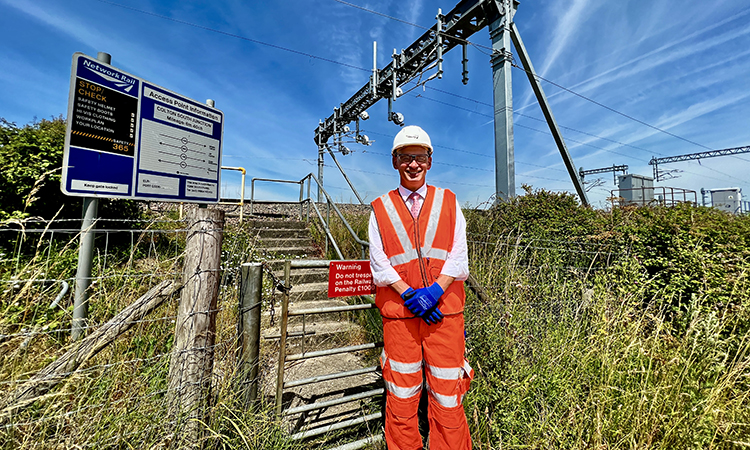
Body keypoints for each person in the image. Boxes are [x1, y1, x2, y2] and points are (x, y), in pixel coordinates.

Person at [368, 125, 473, 450]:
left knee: (448, 397)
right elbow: (379, 262)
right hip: (401, 318)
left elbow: (458, 257)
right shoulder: (380, 209)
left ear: (429, 161)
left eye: (419, 157)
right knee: (400, 396)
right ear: (395, 162)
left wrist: (433, 294)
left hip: (444, 315)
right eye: (405, 158)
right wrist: (410, 294)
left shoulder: (449, 202)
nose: (413, 164)